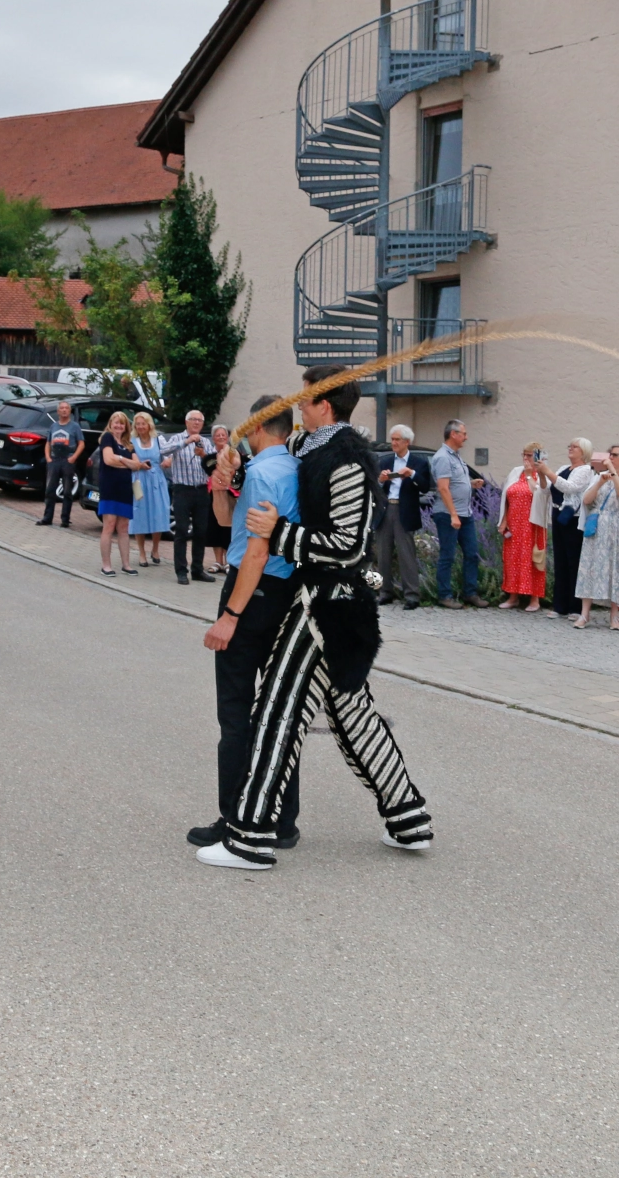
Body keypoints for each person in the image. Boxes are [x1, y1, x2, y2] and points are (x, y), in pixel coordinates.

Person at [207, 364, 434, 870]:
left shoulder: (348, 459)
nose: (298, 403)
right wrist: (234, 474)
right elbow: (284, 484)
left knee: (276, 714)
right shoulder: (307, 449)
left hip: (328, 607)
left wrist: (280, 533)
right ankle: (409, 819)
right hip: (323, 604)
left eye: (305, 397)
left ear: (324, 406)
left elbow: (349, 546)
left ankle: (251, 839)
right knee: (354, 718)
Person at [191, 397, 304, 853]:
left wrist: (230, 616)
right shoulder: (294, 469)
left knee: (236, 714)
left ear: (258, 426)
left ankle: (235, 817)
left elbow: (255, 551)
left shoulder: (261, 473)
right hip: (284, 595)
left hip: (251, 591)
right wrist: (221, 483)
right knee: (277, 714)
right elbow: (226, 522)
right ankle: (283, 822)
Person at [574, 445, 619, 629]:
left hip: (616, 528)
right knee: (589, 567)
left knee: (615, 568)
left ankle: (614, 617)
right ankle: (584, 614)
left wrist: (612, 472)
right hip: (596, 527)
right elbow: (586, 501)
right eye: (609, 455)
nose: (610, 457)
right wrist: (600, 482)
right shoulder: (597, 477)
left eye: (615, 455)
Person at [429, 419, 484, 608]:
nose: (466, 437)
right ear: (453, 434)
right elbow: (443, 488)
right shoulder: (443, 457)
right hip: (448, 514)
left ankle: (470, 593)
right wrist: (453, 514)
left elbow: (454, 483)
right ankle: (444, 595)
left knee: (471, 554)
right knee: (448, 555)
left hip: (465, 514)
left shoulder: (456, 456)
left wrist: (471, 483)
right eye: (464, 433)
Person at [374, 425, 430, 609]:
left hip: (404, 511)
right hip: (385, 509)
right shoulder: (385, 462)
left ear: (407, 442)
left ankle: (412, 595)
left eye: (397, 439)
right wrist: (381, 481)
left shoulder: (419, 462)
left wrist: (412, 474)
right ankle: (384, 592)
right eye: (392, 439)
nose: (394, 443)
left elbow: (425, 486)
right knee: (383, 554)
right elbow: (374, 487)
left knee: (407, 554)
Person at [161, 410, 214, 586]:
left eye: (200, 420)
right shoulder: (178, 438)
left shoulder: (206, 441)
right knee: (182, 531)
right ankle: (181, 571)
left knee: (200, 531)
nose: (197, 423)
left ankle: (197, 569)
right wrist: (186, 442)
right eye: (193, 420)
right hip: (182, 490)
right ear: (186, 422)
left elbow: (214, 462)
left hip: (201, 490)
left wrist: (204, 455)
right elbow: (164, 450)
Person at [497, 442, 551, 610]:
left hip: (532, 525)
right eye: (524, 455)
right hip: (514, 524)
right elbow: (507, 496)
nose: (525, 459)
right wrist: (504, 520)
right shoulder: (515, 472)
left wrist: (529, 475)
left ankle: (534, 599)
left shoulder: (542, 474)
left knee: (532, 559)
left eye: (529, 455)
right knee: (513, 560)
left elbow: (539, 492)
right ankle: (513, 596)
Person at [96, 411, 148, 576]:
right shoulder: (107, 438)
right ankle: (106, 565)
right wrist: (127, 462)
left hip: (125, 489)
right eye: (115, 422)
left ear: (126, 426)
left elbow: (137, 464)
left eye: (122, 423)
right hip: (110, 488)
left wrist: (122, 459)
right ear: (111, 424)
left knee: (124, 528)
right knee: (109, 526)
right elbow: (108, 460)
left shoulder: (129, 443)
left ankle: (126, 564)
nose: (118, 426)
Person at [547, 439, 594, 618]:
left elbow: (570, 487)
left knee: (573, 560)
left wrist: (548, 473)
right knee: (560, 560)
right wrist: (543, 474)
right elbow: (548, 489)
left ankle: (575, 606)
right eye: (570, 446)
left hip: (573, 518)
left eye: (575, 447)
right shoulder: (563, 468)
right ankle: (560, 605)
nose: (570, 449)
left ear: (583, 451)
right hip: (558, 514)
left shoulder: (585, 470)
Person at [37, 400, 86, 528]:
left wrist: (74, 457)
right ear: (58, 411)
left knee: (67, 491)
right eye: (62, 408)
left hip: (67, 460)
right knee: (50, 490)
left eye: (66, 408)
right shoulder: (53, 426)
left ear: (69, 411)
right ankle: (47, 518)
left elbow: (81, 443)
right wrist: (48, 457)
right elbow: (48, 443)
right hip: (54, 460)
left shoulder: (74, 426)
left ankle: (65, 519)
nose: (64, 410)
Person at [131, 411, 170, 568]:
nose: (140, 427)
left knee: (158, 514)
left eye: (143, 423)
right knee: (139, 515)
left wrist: (168, 461)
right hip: (139, 480)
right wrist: (139, 465)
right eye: (138, 424)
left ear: (149, 425)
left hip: (157, 480)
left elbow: (169, 454)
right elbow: (132, 460)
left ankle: (155, 549)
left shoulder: (158, 440)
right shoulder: (132, 441)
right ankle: (141, 552)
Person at [205, 424, 234, 573]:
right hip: (214, 495)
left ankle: (229, 561)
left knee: (228, 528)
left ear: (228, 438)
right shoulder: (210, 458)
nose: (221, 437)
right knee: (215, 527)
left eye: (224, 435)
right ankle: (218, 561)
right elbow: (209, 469)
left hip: (231, 495)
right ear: (213, 439)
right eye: (218, 435)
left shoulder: (234, 456)